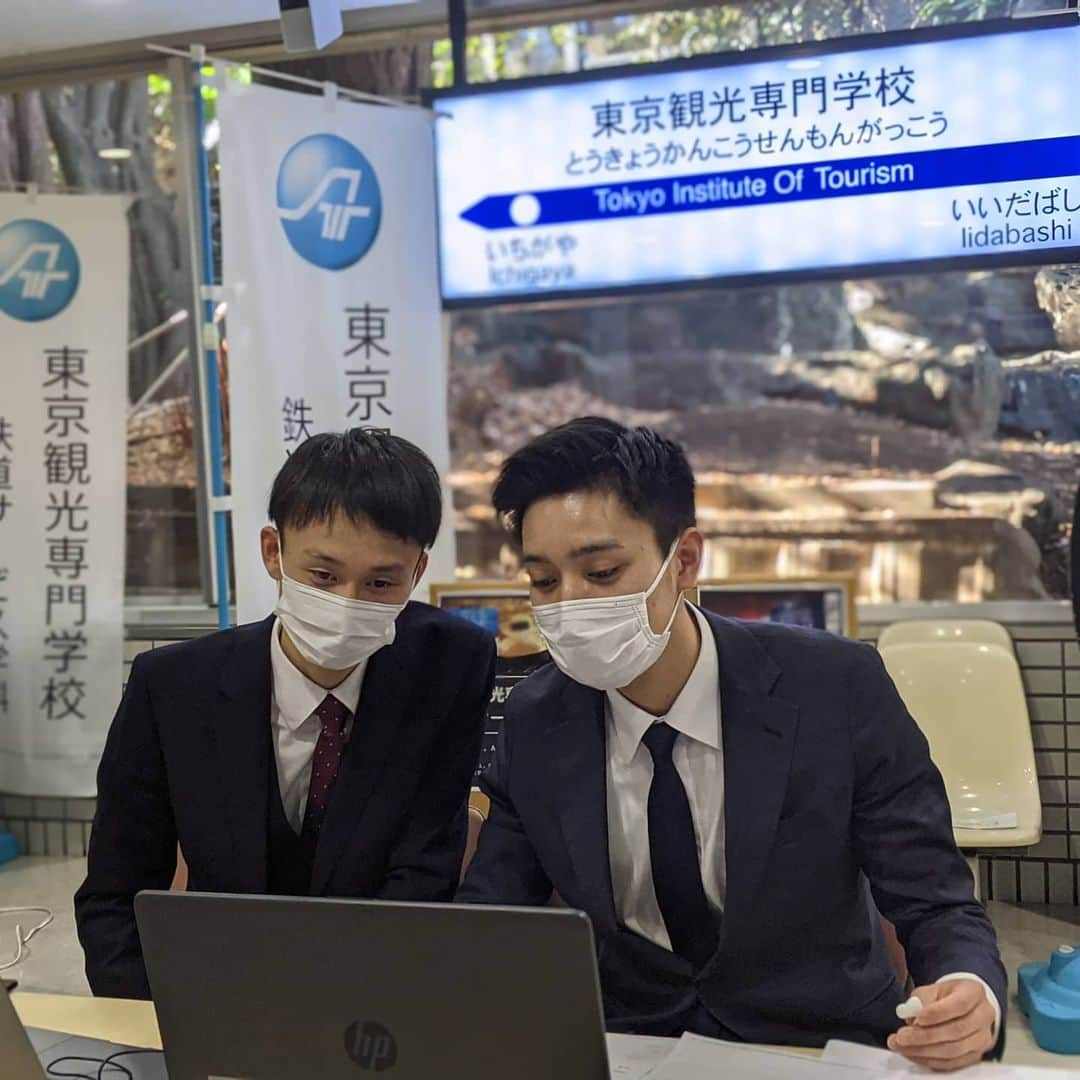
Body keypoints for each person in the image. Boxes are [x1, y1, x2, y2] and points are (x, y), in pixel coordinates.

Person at [458, 417, 1006, 1071]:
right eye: (544, 582)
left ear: (684, 559)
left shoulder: (834, 687)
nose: (569, 605)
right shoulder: (535, 719)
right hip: (635, 1048)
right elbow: (491, 920)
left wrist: (969, 994)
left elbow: (936, 901)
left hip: (815, 1045)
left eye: (601, 572)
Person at [77, 430, 496, 1000]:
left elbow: (425, 869)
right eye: (323, 575)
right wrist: (151, 1028)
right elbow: (115, 893)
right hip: (212, 990)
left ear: (417, 571)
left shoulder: (449, 665)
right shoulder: (173, 689)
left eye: (380, 582)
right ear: (273, 551)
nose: (349, 602)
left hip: (376, 993)